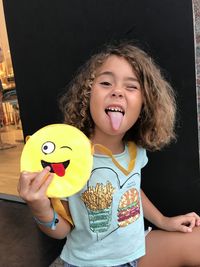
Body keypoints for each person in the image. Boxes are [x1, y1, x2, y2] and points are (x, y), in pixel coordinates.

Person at [18, 42, 200, 267]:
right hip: (87, 263)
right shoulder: (70, 158)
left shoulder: (135, 151)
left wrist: (163, 220)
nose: (117, 91)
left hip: (137, 252)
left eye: (131, 87)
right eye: (105, 83)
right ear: (87, 95)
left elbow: (130, 188)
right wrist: (40, 207)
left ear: (144, 104)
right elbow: (61, 231)